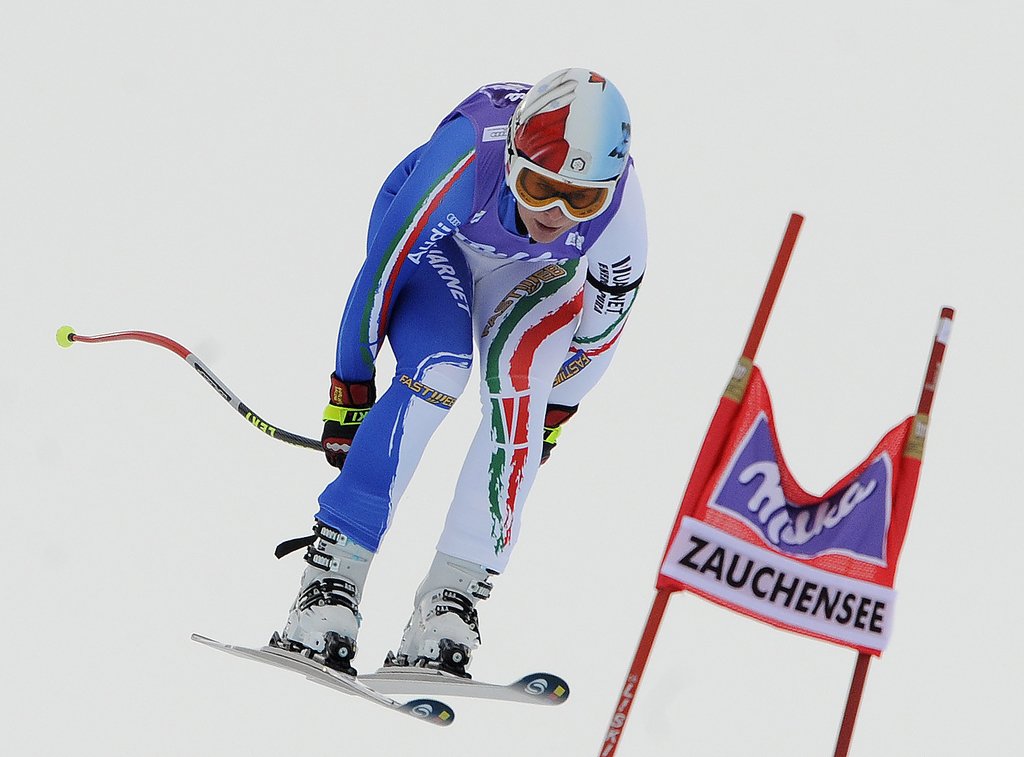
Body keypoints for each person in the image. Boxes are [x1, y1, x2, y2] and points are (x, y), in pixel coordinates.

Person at [270, 68, 648, 678]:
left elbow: (600, 336)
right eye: (536, 187)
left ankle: (453, 596)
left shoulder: (623, 216)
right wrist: (351, 390)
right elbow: (379, 280)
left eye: (580, 200)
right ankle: (332, 577)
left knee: (521, 401)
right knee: (439, 370)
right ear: (512, 161)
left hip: (527, 273)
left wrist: (554, 415)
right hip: (435, 245)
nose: (554, 213)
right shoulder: (467, 156)